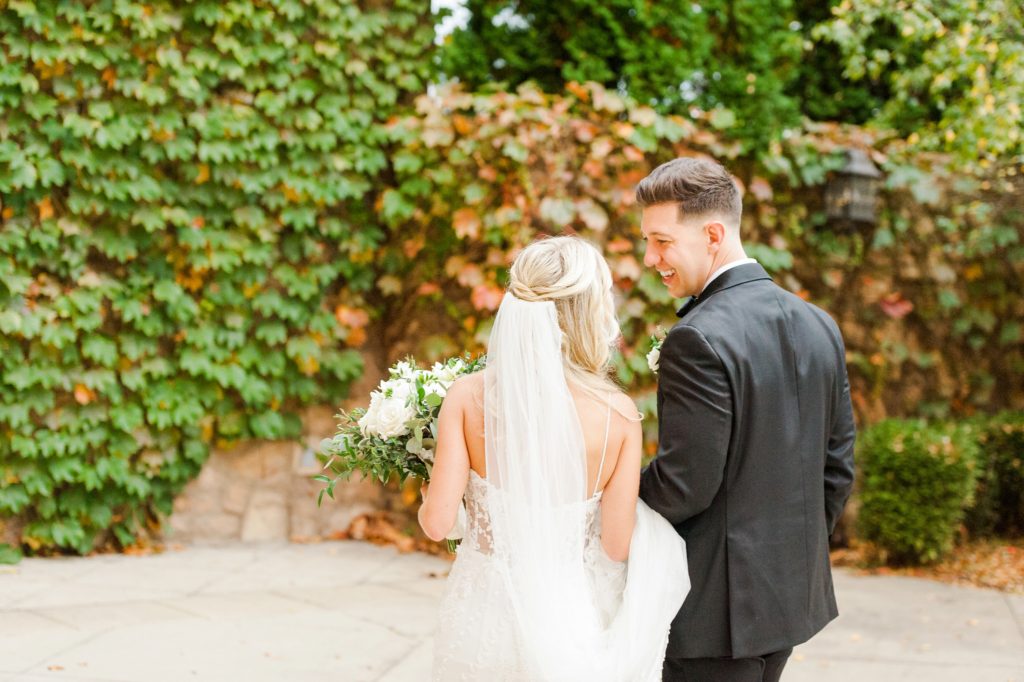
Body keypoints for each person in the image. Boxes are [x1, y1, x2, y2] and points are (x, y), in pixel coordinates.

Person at [419, 235, 689, 681]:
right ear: (589, 314)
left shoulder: (466, 397)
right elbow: (615, 546)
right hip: (565, 616)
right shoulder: (618, 417)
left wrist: (428, 492)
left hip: (480, 613)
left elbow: (436, 523)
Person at [636, 157, 857, 682]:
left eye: (662, 241)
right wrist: (790, 557)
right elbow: (837, 467)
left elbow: (684, 484)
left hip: (713, 613)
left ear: (713, 234)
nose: (650, 258)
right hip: (789, 601)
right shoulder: (818, 323)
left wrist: (613, 499)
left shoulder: (696, 337)